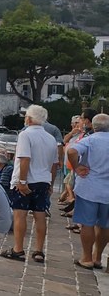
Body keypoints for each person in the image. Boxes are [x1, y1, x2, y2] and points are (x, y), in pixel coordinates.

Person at [0, 104, 58, 263]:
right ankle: (39, 251)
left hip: (26, 181)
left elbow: (25, 158)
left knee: (20, 215)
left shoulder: (25, 135)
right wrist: (51, 184)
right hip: (43, 181)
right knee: (40, 216)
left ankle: (18, 249)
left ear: (30, 118)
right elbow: (54, 165)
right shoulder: (51, 138)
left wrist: (22, 181)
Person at [67, 113, 109, 269]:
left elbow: (71, 151)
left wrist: (77, 167)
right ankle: (98, 257)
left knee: (87, 224)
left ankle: (86, 257)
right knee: (105, 225)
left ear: (94, 126)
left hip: (90, 188)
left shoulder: (90, 140)